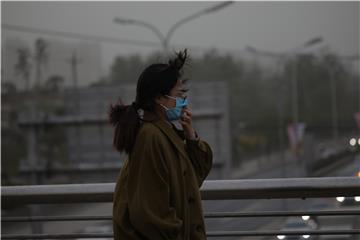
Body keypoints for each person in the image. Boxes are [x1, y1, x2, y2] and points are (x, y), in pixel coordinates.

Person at [109, 49, 213, 240]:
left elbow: (193, 178)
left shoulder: (165, 132)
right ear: (159, 98)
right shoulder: (150, 136)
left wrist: (190, 136)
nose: (183, 101)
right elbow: (151, 211)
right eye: (179, 94)